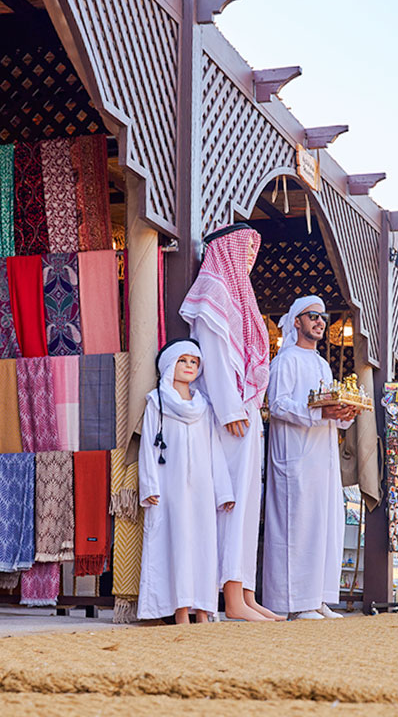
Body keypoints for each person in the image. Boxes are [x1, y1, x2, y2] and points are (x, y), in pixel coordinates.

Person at [179, 223, 281, 620]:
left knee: (247, 503)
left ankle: (247, 593)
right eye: (245, 249)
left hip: (245, 411)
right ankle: (231, 598)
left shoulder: (238, 294)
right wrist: (231, 409)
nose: (249, 258)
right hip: (229, 416)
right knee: (231, 503)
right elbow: (215, 356)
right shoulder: (213, 292)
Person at [262, 296, 356, 620]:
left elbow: (330, 411)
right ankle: (295, 603)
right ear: (296, 322)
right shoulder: (286, 360)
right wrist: (317, 414)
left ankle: (317, 598)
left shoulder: (322, 364)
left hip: (323, 459)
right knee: (296, 529)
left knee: (326, 526)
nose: (320, 321)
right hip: (295, 458)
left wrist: (344, 413)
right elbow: (277, 404)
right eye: (312, 316)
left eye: (323, 317)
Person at [137, 340, 234, 624]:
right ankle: (180, 611)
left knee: (203, 545)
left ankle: (202, 610)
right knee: (177, 543)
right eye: (183, 360)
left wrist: (223, 491)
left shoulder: (204, 405)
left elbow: (215, 449)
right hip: (170, 486)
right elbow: (148, 450)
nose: (190, 366)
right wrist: (150, 486)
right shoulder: (157, 402)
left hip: (202, 488)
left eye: (194, 361)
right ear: (170, 365)